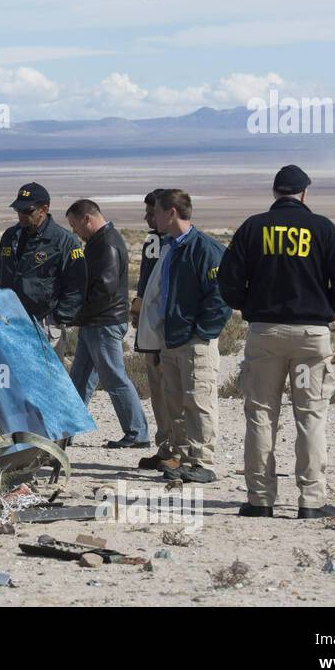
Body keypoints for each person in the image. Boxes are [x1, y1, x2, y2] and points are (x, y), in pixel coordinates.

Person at [217, 165, 335, 519]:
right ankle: (311, 500)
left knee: (261, 415)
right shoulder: (323, 228)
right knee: (310, 416)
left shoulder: (253, 227)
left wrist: (248, 304)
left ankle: (260, 499)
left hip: (265, 335)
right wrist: (327, 305)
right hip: (310, 338)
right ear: (304, 193)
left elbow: (228, 280)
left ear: (276, 192)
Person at [142, 189, 231, 483]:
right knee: (175, 402)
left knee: (199, 400)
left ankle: (202, 460)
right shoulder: (169, 248)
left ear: (171, 213)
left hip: (194, 341)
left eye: (155, 211)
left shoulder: (205, 249)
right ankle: (182, 456)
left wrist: (201, 332)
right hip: (171, 338)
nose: (151, 217)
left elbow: (220, 296)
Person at [65, 199, 150, 448]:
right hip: (93, 322)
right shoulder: (98, 243)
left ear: (86, 219)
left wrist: (77, 314)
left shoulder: (107, 244)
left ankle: (137, 433)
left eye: (74, 225)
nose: (74, 232)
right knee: (79, 378)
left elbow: (104, 289)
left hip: (103, 322)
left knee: (113, 377)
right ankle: (66, 431)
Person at [0, 183, 86, 354]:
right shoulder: (10, 236)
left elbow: (76, 284)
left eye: (28, 211)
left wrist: (58, 317)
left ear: (44, 209)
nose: (21, 215)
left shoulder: (64, 241)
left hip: (44, 322)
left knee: (46, 377)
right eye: (18, 210)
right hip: (10, 320)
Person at [133, 189, 173, 470]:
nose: (148, 218)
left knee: (170, 390)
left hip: (164, 327)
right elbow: (145, 280)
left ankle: (174, 449)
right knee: (158, 390)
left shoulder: (174, 243)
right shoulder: (153, 240)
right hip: (150, 325)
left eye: (152, 213)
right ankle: (164, 446)